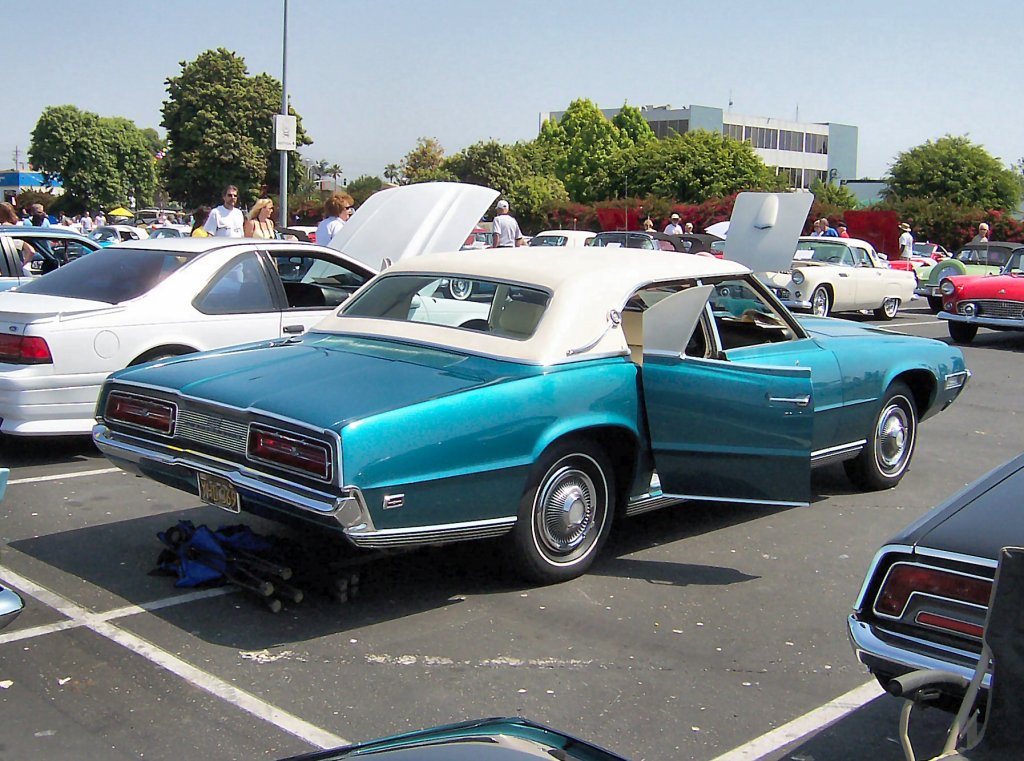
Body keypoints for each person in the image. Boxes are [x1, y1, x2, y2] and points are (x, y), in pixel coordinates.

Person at [0, 202, 36, 274]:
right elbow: (31, 251)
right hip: (17, 271)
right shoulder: (17, 230)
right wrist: (21, 265)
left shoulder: (4, 230)